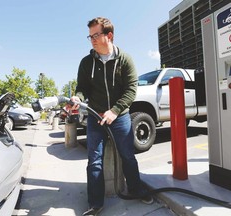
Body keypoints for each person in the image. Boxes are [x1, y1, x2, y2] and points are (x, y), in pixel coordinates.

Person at [70, 17, 153, 216]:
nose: (92, 40)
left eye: (96, 35)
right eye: (90, 36)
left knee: (128, 156)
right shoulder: (86, 62)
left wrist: (115, 111)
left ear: (109, 35)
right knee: (94, 161)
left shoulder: (125, 60)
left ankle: (136, 189)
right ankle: (95, 204)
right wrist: (77, 97)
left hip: (120, 117)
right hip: (95, 116)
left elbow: (131, 90)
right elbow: (82, 89)